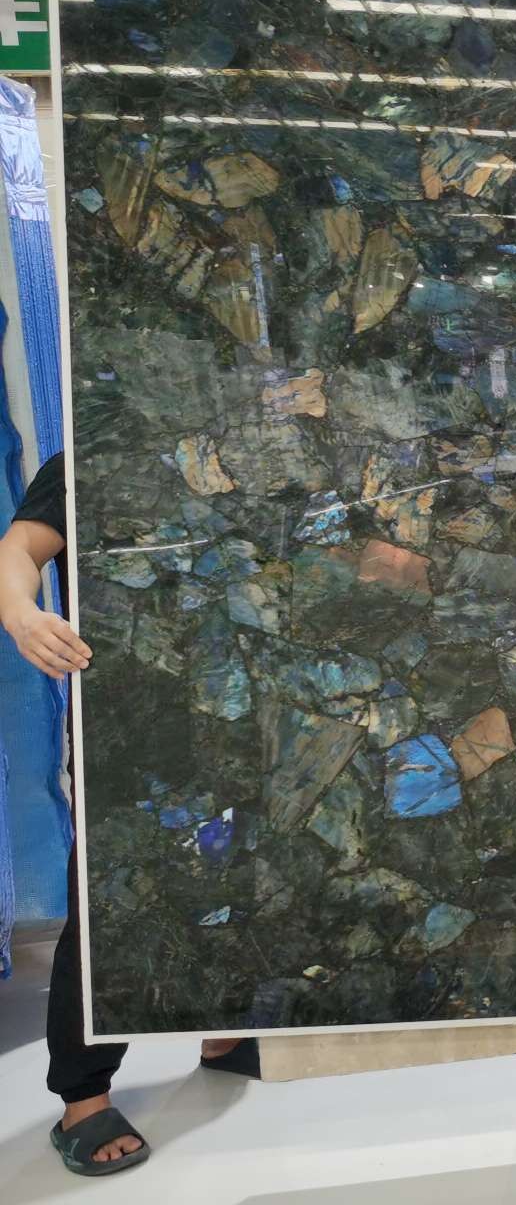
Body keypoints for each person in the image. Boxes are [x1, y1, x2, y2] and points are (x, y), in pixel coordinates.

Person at [1, 452, 257, 1177]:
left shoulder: (256, 436)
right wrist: (21, 614)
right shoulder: (95, 441)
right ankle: (83, 1096)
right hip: (131, 710)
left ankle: (221, 1031)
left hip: (240, 700)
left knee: (233, 870)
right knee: (111, 897)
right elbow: (19, 547)